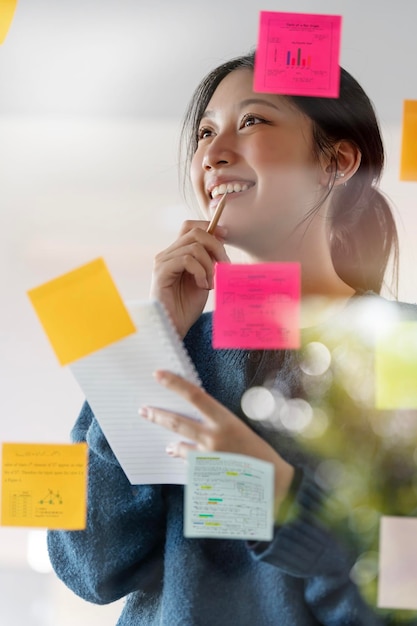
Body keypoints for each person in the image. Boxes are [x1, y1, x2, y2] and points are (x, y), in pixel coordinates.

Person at [47, 51, 417, 625]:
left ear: (337, 162)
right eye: (204, 131)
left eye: (253, 121)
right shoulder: (174, 345)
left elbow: (402, 598)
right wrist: (155, 338)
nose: (214, 154)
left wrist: (281, 502)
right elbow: (90, 568)